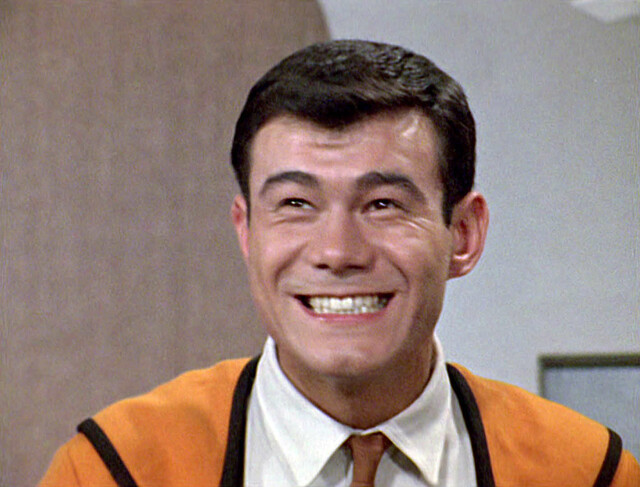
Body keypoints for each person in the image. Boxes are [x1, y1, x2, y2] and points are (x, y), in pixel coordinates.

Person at [40, 40, 639, 487]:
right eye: (295, 205)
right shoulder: (120, 468)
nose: (337, 253)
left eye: (383, 205)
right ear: (246, 231)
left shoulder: (584, 472)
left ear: (463, 233)